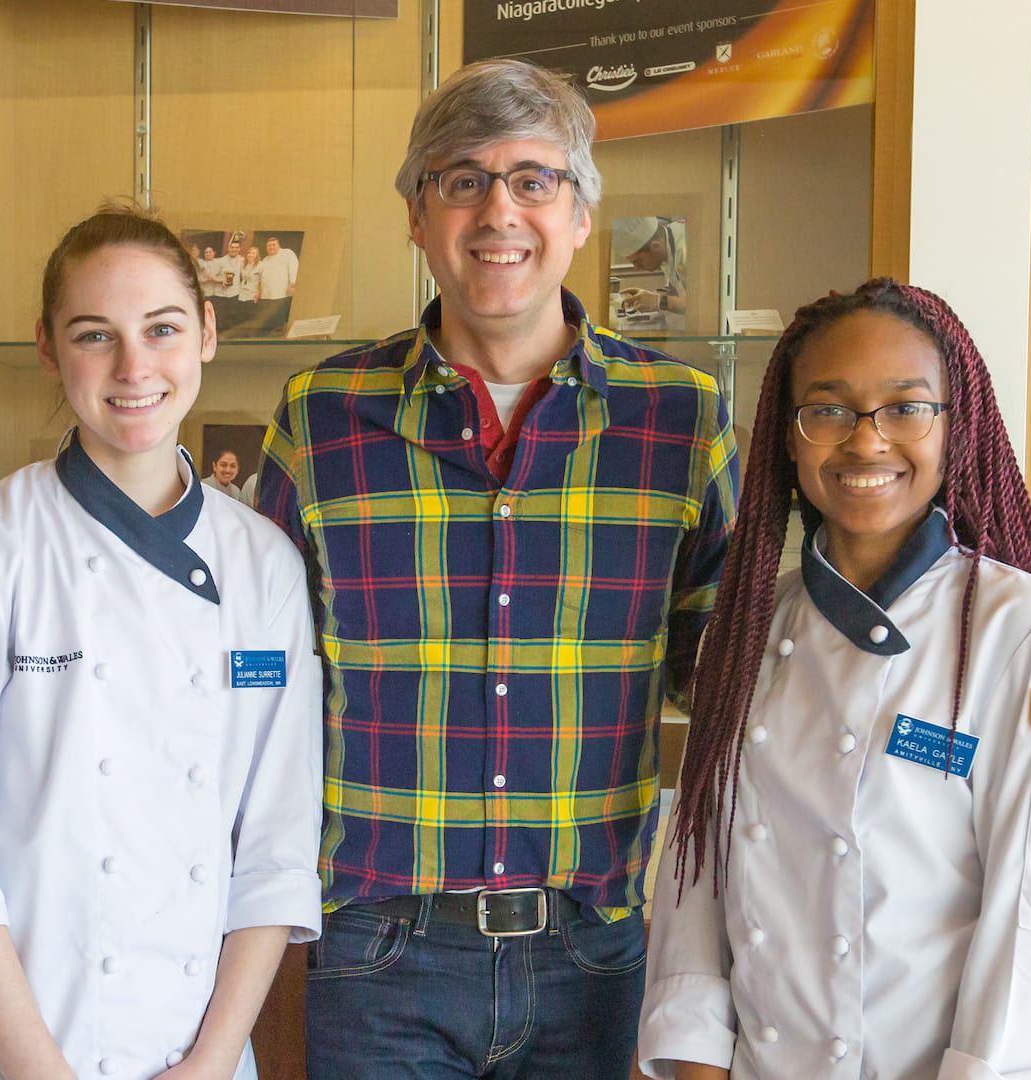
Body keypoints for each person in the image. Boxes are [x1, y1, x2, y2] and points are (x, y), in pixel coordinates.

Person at [254, 59, 737, 1079]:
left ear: (582, 214)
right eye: (461, 179)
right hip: (379, 951)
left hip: (596, 949)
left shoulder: (683, 422)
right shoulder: (319, 419)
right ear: (417, 218)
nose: (496, 210)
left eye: (533, 179)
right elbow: (264, 689)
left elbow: (730, 684)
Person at [0, 204, 323, 1080]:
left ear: (208, 334)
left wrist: (214, 1060)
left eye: (161, 329)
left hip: (199, 1051)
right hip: (1, 1050)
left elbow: (274, 848)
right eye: (94, 335)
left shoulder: (263, 563)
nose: (133, 368)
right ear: (46, 347)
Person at [637, 279, 1031, 1079]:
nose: (866, 442)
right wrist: (693, 1060)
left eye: (905, 407)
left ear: (953, 431)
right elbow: (699, 878)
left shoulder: (1020, 628)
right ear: (788, 440)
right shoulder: (748, 626)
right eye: (827, 409)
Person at [619, 215, 685, 326]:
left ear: (656, 246)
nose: (637, 267)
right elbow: (678, 287)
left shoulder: (688, 248)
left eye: (638, 261)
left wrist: (661, 302)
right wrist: (649, 295)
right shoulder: (666, 245)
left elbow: (706, 305)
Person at [254, 235, 298, 331]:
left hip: (282, 292)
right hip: (267, 295)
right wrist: (259, 291)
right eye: (269, 246)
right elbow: (262, 277)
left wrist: (292, 285)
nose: (271, 247)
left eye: (274, 245)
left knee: (279, 316)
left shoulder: (287, 253)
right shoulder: (265, 259)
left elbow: (294, 269)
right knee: (267, 318)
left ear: (278, 245)